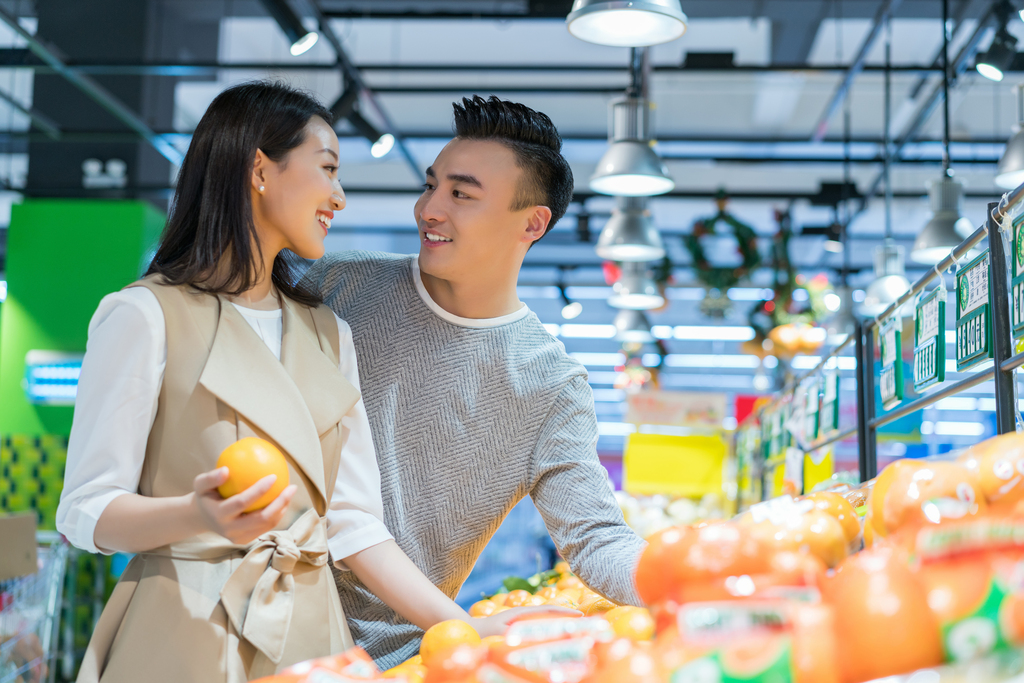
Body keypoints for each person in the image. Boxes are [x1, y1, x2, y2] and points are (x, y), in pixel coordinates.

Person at [57, 83, 559, 683]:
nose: (339, 198)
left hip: (313, 637)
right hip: (185, 627)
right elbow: (85, 511)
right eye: (327, 169)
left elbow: (352, 521)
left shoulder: (327, 332)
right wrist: (195, 514)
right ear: (260, 170)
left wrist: (458, 625)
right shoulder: (144, 316)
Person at [303, 95, 647, 669]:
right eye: (431, 186)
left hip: (396, 660)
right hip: (261, 628)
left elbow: (596, 539)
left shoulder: (550, 384)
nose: (430, 209)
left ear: (532, 222)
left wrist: (701, 584)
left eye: (461, 194)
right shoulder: (337, 286)